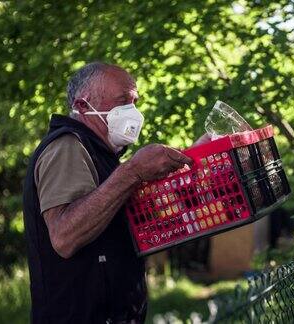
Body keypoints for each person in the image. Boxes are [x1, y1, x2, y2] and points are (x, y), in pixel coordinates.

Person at [23, 62, 200, 323]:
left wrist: (194, 157)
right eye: (122, 102)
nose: (133, 112)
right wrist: (133, 171)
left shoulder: (105, 156)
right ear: (83, 106)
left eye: (134, 102)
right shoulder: (68, 146)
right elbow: (64, 236)